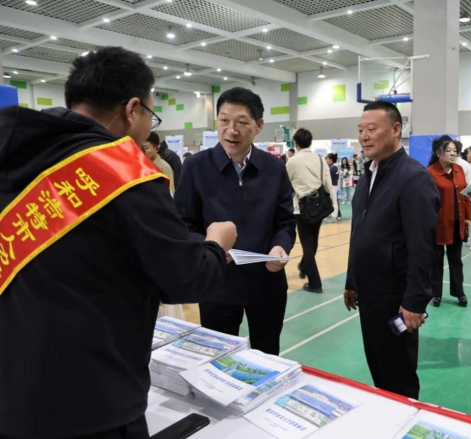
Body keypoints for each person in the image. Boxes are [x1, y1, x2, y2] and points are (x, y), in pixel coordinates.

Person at [0, 46, 236, 439]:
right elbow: (185, 279)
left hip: (12, 397)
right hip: (93, 403)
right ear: (132, 110)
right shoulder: (124, 174)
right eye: (150, 116)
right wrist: (216, 244)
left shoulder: (14, 154)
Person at [175, 87, 295, 355]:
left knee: (267, 356)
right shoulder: (196, 167)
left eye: (241, 122)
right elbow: (183, 224)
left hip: (267, 284)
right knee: (217, 358)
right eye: (224, 120)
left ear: (259, 126)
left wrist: (280, 246)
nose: (231, 130)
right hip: (217, 284)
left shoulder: (274, 168)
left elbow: (285, 221)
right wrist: (211, 247)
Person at [344, 101, 439, 399]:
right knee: (378, 364)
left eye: (372, 129)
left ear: (396, 129)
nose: (364, 136)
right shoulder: (368, 176)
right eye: (361, 130)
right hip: (368, 294)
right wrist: (351, 281)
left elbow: (422, 246)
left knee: (399, 373)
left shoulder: (413, 177)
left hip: (396, 300)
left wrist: (414, 301)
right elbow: (358, 233)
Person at [287, 129, 332, 293]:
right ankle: (305, 265)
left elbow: (286, 183)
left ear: (296, 143)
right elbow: (327, 184)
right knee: (313, 242)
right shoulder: (320, 160)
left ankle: (315, 283)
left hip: (301, 207)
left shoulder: (292, 161)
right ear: (310, 142)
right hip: (319, 205)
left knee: (307, 243)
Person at [428, 141, 471, 308]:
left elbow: (465, 195)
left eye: (455, 151)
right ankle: (436, 293)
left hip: (457, 222)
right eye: (449, 150)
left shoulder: (459, 170)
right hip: (438, 224)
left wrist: (468, 218)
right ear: (439, 153)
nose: (453, 154)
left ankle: (459, 292)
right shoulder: (430, 172)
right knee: (436, 261)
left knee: (456, 260)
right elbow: (426, 201)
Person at [143, 131, 175, 196]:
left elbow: (170, 193)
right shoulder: (142, 166)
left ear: (156, 148)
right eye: (140, 148)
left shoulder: (164, 167)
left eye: (145, 148)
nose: (142, 151)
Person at [326, 152, 340, 223]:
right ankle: (332, 216)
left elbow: (327, 176)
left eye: (327, 158)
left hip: (333, 186)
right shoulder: (333, 166)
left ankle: (334, 217)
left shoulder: (334, 167)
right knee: (332, 202)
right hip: (332, 186)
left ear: (330, 160)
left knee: (334, 202)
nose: (326, 160)